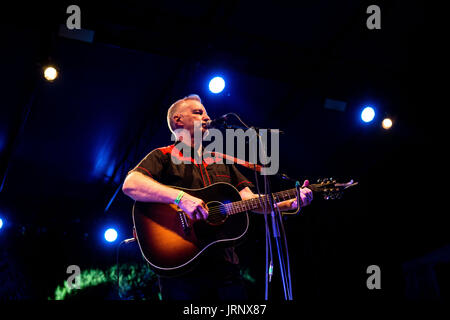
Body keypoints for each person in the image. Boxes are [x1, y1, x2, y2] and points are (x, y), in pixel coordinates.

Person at [122, 94, 313, 300]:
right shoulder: (163, 155)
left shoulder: (220, 159)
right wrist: (180, 198)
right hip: (181, 268)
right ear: (178, 120)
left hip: (225, 265)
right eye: (198, 112)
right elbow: (131, 184)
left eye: (206, 113)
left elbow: (248, 200)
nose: (206, 117)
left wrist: (290, 202)